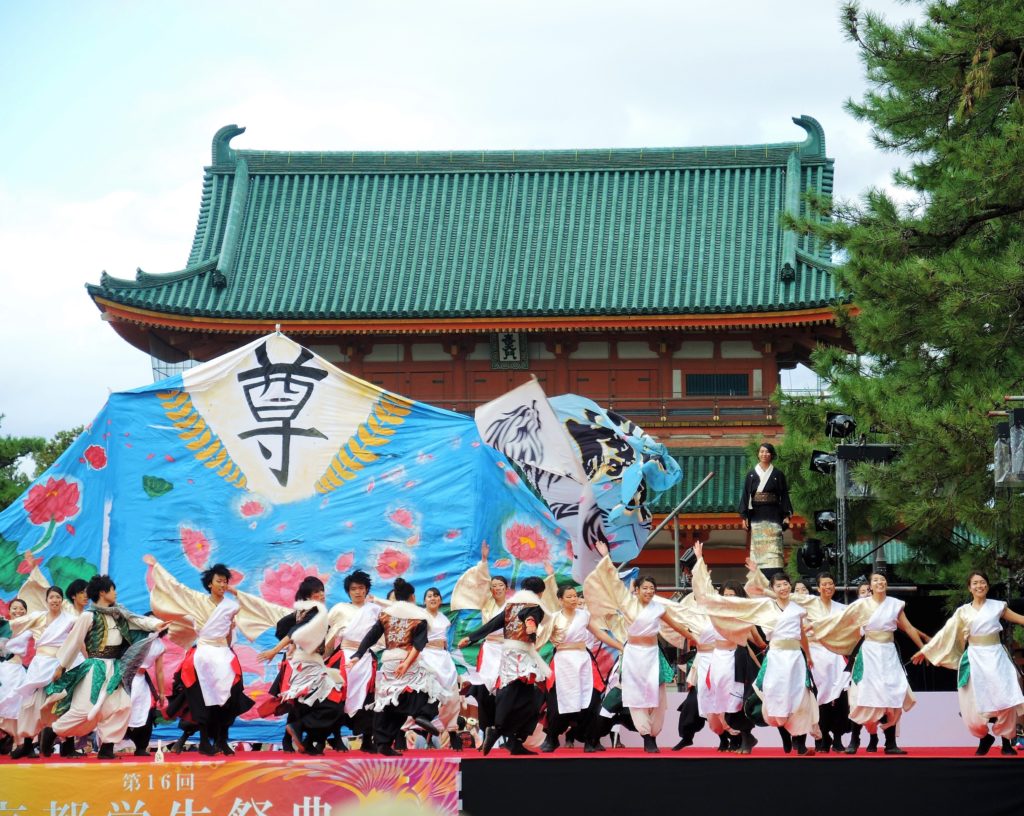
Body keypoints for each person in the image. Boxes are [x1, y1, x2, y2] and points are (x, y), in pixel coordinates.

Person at [692, 541, 822, 755]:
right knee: (776, 697)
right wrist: (700, 561)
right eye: (778, 585)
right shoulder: (764, 606)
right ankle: (784, 735)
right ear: (773, 589)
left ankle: (799, 743)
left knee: (800, 697)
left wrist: (807, 656)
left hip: (795, 659)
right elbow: (731, 604)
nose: (783, 588)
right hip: (776, 659)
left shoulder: (798, 609)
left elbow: (801, 635)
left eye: (785, 584)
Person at [145, 556, 277, 756]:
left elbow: (232, 631)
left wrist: (231, 628)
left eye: (225, 581)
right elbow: (176, 588)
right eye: (219, 581)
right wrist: (156, 566)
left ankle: (222, 740)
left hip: (224, 653)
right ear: (210, 583)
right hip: (204, 654)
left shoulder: (231, 606)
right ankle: (205, 740)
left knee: (231, 696)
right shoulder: (198, 601)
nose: (223, 584)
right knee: (202, 698)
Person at [583, 541, 699, 753]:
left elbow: (678, 625)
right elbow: (612, 581)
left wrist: (696, 639)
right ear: (636, 590)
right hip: (633, 655)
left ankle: (653, 733)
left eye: (652, 589)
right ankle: (646, 737)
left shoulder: (659, 608)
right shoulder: (627, 603)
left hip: (653, 656)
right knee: (635, 697)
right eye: (645, 588)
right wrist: (606, 556)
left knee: (657, 697)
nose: (649, 591)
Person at [44, 575, 167, 759]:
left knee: (122, 706)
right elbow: (74, 641)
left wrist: (157, 624)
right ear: (103, 592)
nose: (115, 593)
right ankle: (53, 731)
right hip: (95, 668)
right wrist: (61, 666)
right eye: (113, 589)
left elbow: (138, 621)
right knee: (84, 710)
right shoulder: (88, 616)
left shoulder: (119, 615)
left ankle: (107, 748)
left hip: (115, 669)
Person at [811, 571, 930, 755]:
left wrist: (923, 648)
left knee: (891, 695)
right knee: (861, 696)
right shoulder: (861, 604)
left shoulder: (895, 604)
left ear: (886, 584)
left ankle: (890, 743)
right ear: (871, 585)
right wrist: (815, 626)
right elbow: (837, 621)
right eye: (875, 580)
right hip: (868, 653)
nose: (880, 582)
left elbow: (907, 627)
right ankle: (854, 741)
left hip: (888, 654)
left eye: (882, 579)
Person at [451, 542, 557, 738]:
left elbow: (523, 616)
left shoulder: (512, 605)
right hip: (499, 650)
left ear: (507, 588)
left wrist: (471, 637)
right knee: (502, 688)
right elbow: (498, 622)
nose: (496, 588)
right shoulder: (503, 605)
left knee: (513, 689)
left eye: (500, 585)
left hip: (509, 650)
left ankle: (505, 732)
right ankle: (498, 728)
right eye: (493, 586)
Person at [912, 570, 1024, 755]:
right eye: (975, 583)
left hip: (996, 657)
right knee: (971, 703)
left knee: (1004, 698)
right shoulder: (962, 612)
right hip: (973, 658)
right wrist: (925, 651)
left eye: (982, 582)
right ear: (969, 588)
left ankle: (1006, 742)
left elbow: (1020, 619)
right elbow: (944, 634)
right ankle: (983, 737)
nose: (979, 586)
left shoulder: (998, 606)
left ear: (987, 585)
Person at [349, 578, 441, 756]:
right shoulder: (419, 617)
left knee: (391, 702)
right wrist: (406, 663)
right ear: (412, 597)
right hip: (407, 660)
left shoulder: (386, 615)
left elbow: (371, 636)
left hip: (389, 662)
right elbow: (419, 644)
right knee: (431, 685)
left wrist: (358, 655)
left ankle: (383, 743)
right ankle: (422, 714)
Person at [260, 576, 346, 755]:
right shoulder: (316, 611)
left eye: (322, 590)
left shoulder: (304, 611)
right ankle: (300, 732)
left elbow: (284, 627)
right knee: (332, 702)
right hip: (307, 664)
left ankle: (306, 742)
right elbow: (291, 630)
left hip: (305, 662)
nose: (321, 595)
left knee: (304, 705)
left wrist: (294, 644)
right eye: (316, 592)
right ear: (308, 596)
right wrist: (275, 650)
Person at [539, 584, 622, 753]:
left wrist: (620, 646)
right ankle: (552, 737)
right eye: (569, 597)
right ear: (560, 600)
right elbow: (541, 639)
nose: (574, 599)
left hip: (583, 661)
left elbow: (600, 634)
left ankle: (591, 740)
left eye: (575, 596)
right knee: (556, 704)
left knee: (590, 702)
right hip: (562, 663)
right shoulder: (553, 618)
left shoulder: (584, 615)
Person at [8, 581, 83, 759]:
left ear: (62, 600)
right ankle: (27, 744)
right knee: (30, 704)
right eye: (51, 597)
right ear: (47, 600)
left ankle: (68, 745)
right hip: (40, 666)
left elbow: (78, 640)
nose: (55, 600)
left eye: (58, 597)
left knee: (63, 704)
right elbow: (16, 623)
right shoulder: (38, 617)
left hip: (59, 666)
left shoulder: (70, 620)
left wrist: (85, 660)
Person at [326, 569, 383, 752]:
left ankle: (367, 740)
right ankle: (336, 738)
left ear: (367, 589)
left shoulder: (375, 610)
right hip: (344, 657)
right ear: (348, 591)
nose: (358, 592)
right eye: (353, 589)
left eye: (361, 588)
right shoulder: (339, 609)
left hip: (366, 658)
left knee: (369, 699)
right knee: (337, 698)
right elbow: (327, 632)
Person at [738, 442, 793, 579]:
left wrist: (786, 515)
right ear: (758, 454)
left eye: (767, 452)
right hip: (757, 515)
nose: (764, 454)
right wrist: (744, 516)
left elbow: (784, 495)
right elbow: (746, 495)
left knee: (774, 547)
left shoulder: (778, 474)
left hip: (773, 515)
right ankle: (758, 577)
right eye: (762, 451)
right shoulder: (751, 474)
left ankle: (775, 576)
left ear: (772, 455)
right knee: (758, 548)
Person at [418, 587, 462, 749]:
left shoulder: (444, 618)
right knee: (425, 693)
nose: (433, 598)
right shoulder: (420, 616)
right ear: (424, 600)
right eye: (429, 596)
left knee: (451, 695)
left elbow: (445, 643)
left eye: (436, 595)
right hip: (425, 656)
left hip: (443, 658)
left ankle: (452, 732)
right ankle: (406, 731)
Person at [0, 598, 32, 758]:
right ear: (9, 610)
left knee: (19, 708)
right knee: (4, 704)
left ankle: (20, 743)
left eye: (21, 609)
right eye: (14, 608)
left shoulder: (29, 628)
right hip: (3, 670)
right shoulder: (3, 627)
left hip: (18, 672)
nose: (18, 611)